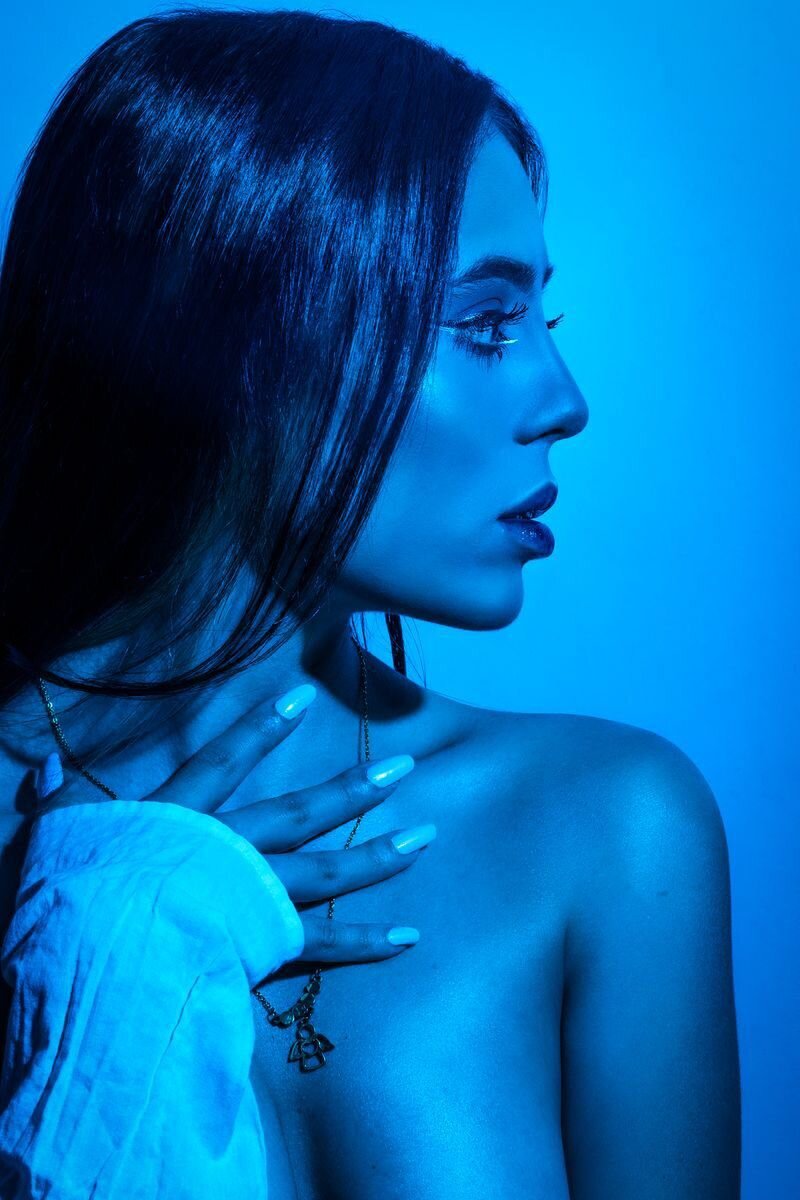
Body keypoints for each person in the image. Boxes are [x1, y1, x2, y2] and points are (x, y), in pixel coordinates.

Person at [0, 8, 740, 1199]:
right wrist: (97, 947)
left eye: (540, 321)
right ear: (235, 343)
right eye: (485, 323)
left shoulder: (602, 830)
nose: (564, 401)